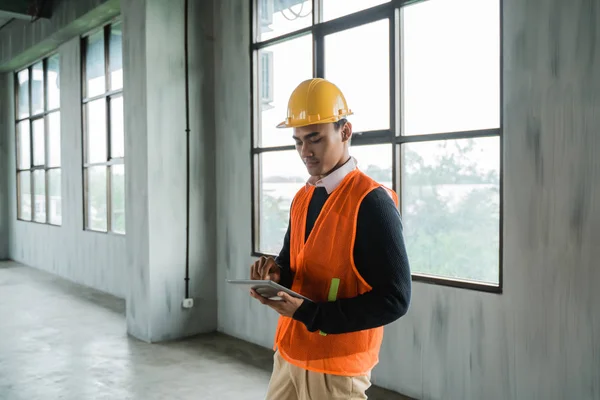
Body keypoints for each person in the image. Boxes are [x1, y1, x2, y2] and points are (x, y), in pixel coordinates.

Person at [249, 78, 411, 400]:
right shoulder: (304, 197)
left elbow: (395, 299)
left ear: (345, 132)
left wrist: (311, 314)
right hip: (290, 353)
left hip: (336, 370)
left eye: (315, 139)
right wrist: (275, 275)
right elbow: (291, 262)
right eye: (297, 141)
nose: (305, 152)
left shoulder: (371, 202)